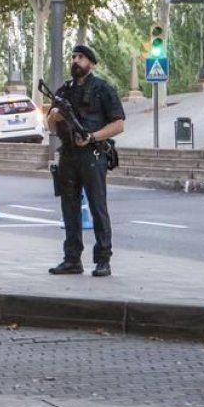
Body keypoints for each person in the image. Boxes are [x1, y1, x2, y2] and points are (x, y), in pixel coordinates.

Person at [46, 44, 125, 277]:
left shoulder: (103, 90)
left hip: (93, 155)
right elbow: (50, 127)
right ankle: (72, 259)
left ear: (91, 63)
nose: (75, 60)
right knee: (69, 209)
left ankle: (103, 260)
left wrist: (91, 137)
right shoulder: (64, 91)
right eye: (73, 57)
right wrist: (54, 116)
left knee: (97, 207)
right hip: (69, 155)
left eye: (80, 57)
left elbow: (118, 125)